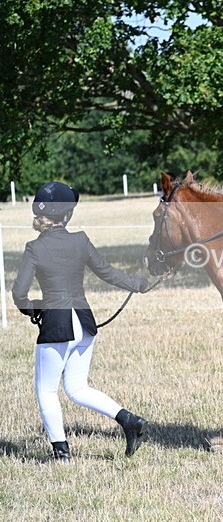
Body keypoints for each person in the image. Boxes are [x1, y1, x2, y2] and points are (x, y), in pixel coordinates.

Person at [12, 181, 150, 461]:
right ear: (67, 215)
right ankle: (129, 419)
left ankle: (62, 454)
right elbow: (108, 273)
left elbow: (18, 294)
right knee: (77, 388)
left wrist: (33, 308)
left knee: (47, 390)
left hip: (57, 325)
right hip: (84, 323)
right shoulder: (81, 240)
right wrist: (138, 284)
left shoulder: (34, 248)